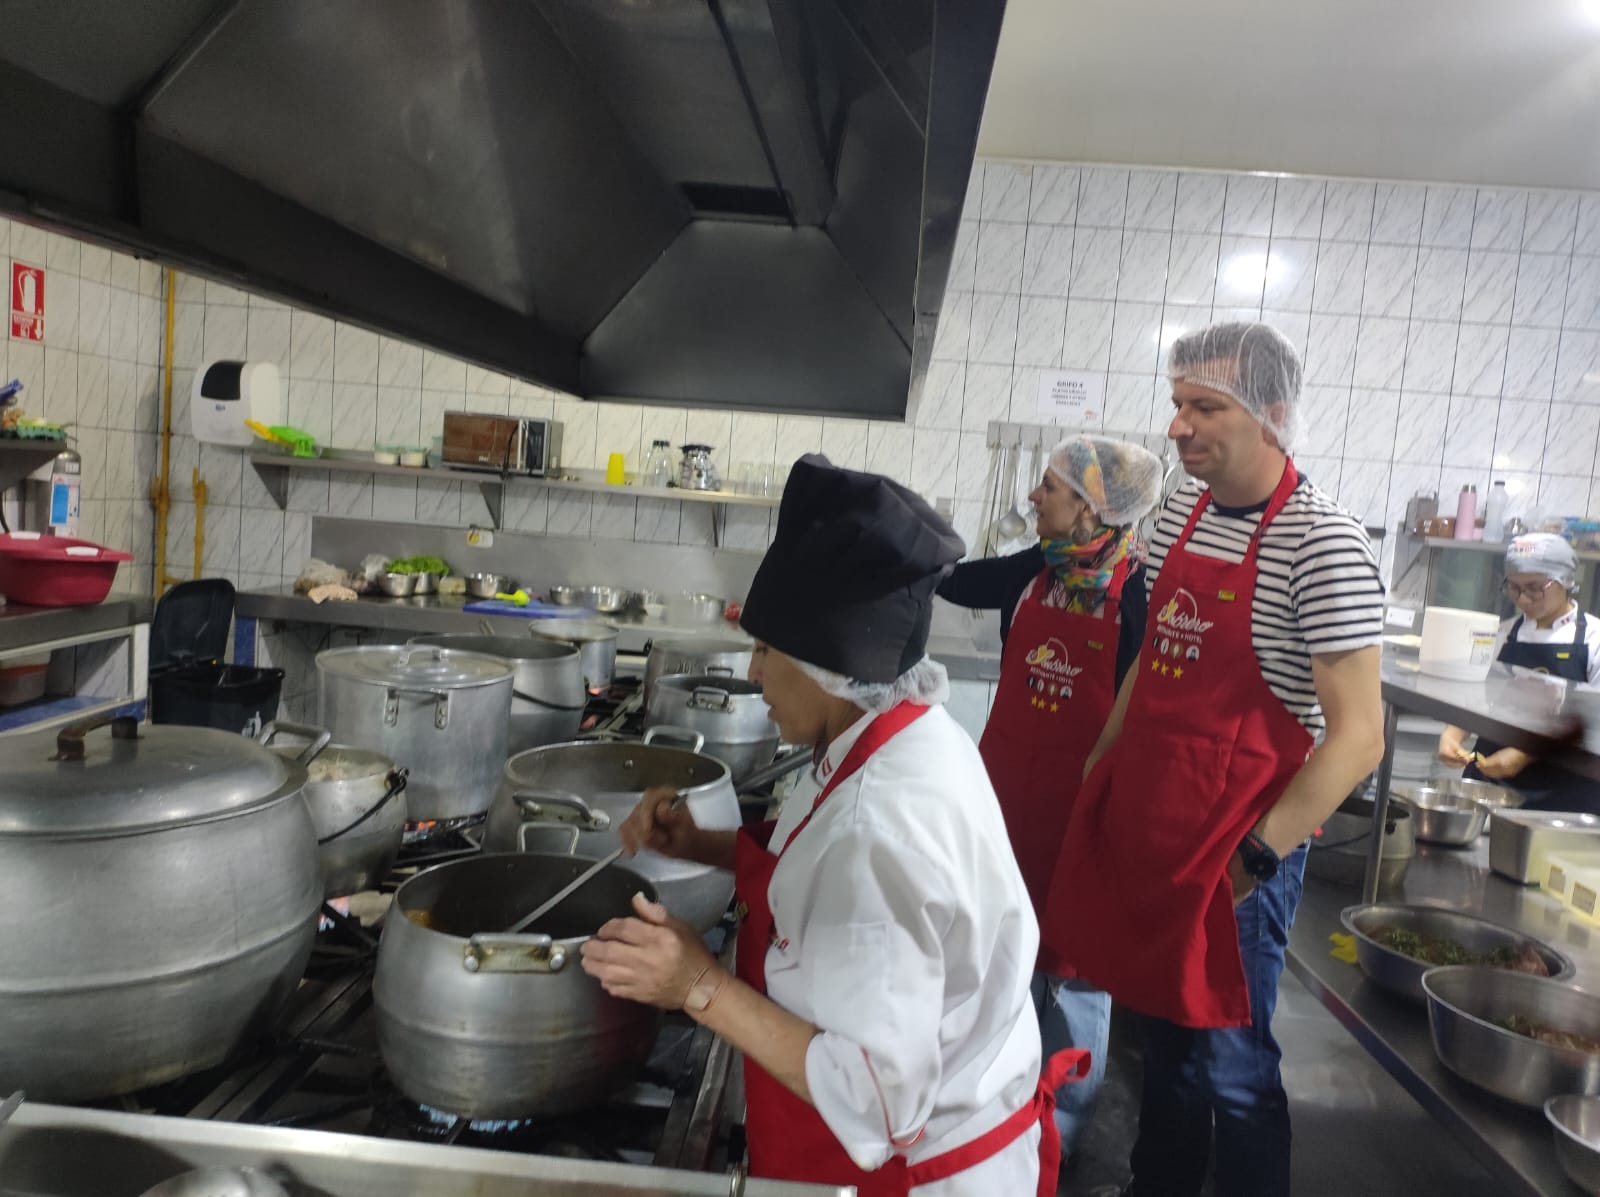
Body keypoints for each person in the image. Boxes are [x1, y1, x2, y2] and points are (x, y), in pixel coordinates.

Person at [581, 454, 1081, 1197]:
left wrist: (697, 984)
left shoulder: (878, 826)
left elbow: (879, 1098)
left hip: (916, 1177)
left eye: (764, 650)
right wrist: (699, 845)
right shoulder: (902, 729)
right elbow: (817, 864)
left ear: (827, 665)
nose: (753, 674)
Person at [1042, 321, 1387, 1197]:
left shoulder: (1322, 542)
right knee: (1166, 1040)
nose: (1178, 426)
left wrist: (1257, 856)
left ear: (1273, 415)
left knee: (1232, 1064)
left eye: (1204, 407)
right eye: (1177, 404)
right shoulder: (1177, 516)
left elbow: (1359, 735)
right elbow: (1154, 660)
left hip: (1240, 850)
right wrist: (1101, 768)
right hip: (1160, 831)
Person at [937, 433, 1164, 1161]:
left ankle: (1060, 1133)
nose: (1033, 498)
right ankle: (996, 1108)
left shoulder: (1139, 595)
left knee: (1074, 966)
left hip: (1085, 812)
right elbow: (956, 581)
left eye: (1050, 488)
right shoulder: (1033, 569)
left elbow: (1144, 721)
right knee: (1002, 948)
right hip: (1006, 801)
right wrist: (905, 547)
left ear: (1091, 508)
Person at [1438, 532, 1600, 812]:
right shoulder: (1502, 634)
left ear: (1565, 580)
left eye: (1535, 588)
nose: (1523, 598)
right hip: (1491, 780)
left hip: (1563, 791)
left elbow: (1591, 723)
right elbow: (1477, 697)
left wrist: (1523, 754)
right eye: (1514, 587)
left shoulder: (1594, 640)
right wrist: (1452, 735)